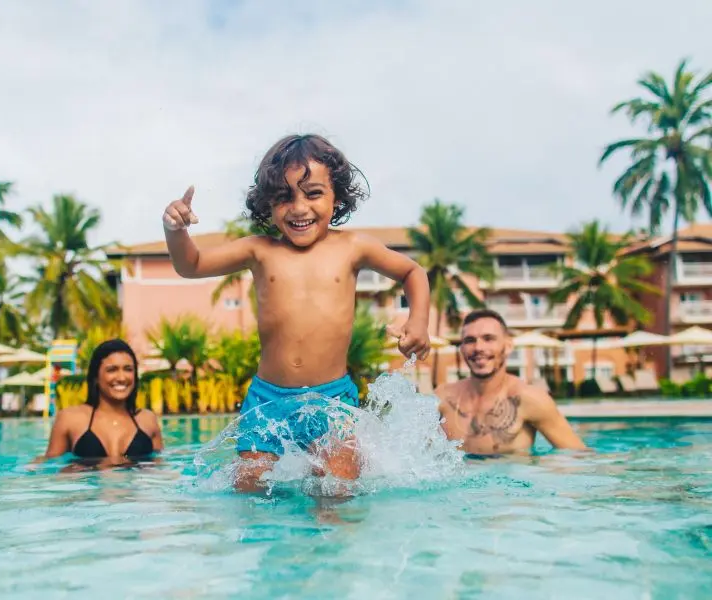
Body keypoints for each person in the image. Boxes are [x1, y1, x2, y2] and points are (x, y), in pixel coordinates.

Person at [162, 133, 431, 490]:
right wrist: (175, 230)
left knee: (336, 492)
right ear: (268, 204)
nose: (299, 207)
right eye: (284, 197)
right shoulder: (259, 251)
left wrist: (418, 322)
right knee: (251, 492)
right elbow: (191, 264)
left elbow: (413, 272)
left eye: (313, 193)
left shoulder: (353, 247)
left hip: (333, 400)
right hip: (267, 399)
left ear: (337, 197)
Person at [435, 309, 587, 455]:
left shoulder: (529, 399)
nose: (478, 347)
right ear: (462, 348)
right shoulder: (442, 398)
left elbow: (579, 457)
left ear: (508, 347)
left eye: (488, 339)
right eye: (470, 340)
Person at [42, 339, 164, 463]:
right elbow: (50, 466)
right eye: (112, 370)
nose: (122, 378)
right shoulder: (70, 419)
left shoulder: (147, 420)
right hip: (85, 482)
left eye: (128, 369)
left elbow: (160, 467)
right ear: (96, 377)